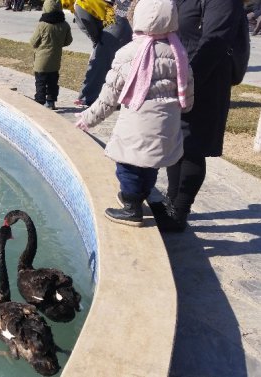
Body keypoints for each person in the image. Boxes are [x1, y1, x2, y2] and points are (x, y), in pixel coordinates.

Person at [74, 0, 195, 227]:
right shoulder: (178, 53)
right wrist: (186, 107)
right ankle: (138, 198)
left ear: (136, 18)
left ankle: (131, 208)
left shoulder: (128, 53)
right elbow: (187, 89)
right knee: (150, 166)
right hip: (166, 126)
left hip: (135, 127)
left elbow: (108, 96)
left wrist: (88, 118)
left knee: (128, 166)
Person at [150, 0, 247, 232]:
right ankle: (170, 202)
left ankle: (179, 212)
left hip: (206, 80)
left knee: (193, 145)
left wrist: (189, 82)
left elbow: (215, 42)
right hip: (183, 76)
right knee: (177, 141)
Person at [75, 0, 132, 107]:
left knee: (100, 63)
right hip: (120, 23)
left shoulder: (81, 4)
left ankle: (89, 98)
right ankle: (113, 99)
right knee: (115, 66)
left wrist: (96, 41)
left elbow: (86, 21)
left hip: (116, 25)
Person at [30, 0, 73, 109]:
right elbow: (68, 41)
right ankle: (51, 102)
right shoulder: (65, 25)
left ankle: (39, 102)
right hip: (55, 61)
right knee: (53, 83)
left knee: (40, 83)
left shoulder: (42, 25)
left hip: (41, 61)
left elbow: (33, 41)